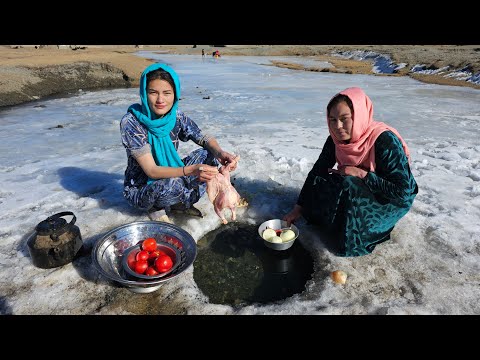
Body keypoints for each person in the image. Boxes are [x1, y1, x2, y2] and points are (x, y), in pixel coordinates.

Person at [283, 87, 418, 257]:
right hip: (359, 187)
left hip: (390, 199)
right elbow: (317, 172)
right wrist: (298, 208)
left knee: (349, 183)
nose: (338, 126)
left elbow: (402, 192)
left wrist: (362, 173)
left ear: (359, 116)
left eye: (344, 119)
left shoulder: (384, 141)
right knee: (324, 184)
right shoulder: (336, 139)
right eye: (332, 119)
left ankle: (356, 241)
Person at [120, 63, 238, 223]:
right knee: (173, 184)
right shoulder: (131, 122)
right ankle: (156, 208)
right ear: (144, 94)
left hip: (172, 174)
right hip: (141, 188)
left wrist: (220, 153)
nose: (160, 100)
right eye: (153, 93)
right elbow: (152, 171)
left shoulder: (176, 116)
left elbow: (202, 137)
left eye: (167, 93)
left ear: (175, 94)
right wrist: (191, 171)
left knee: (209, 155)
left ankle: (178, 203)